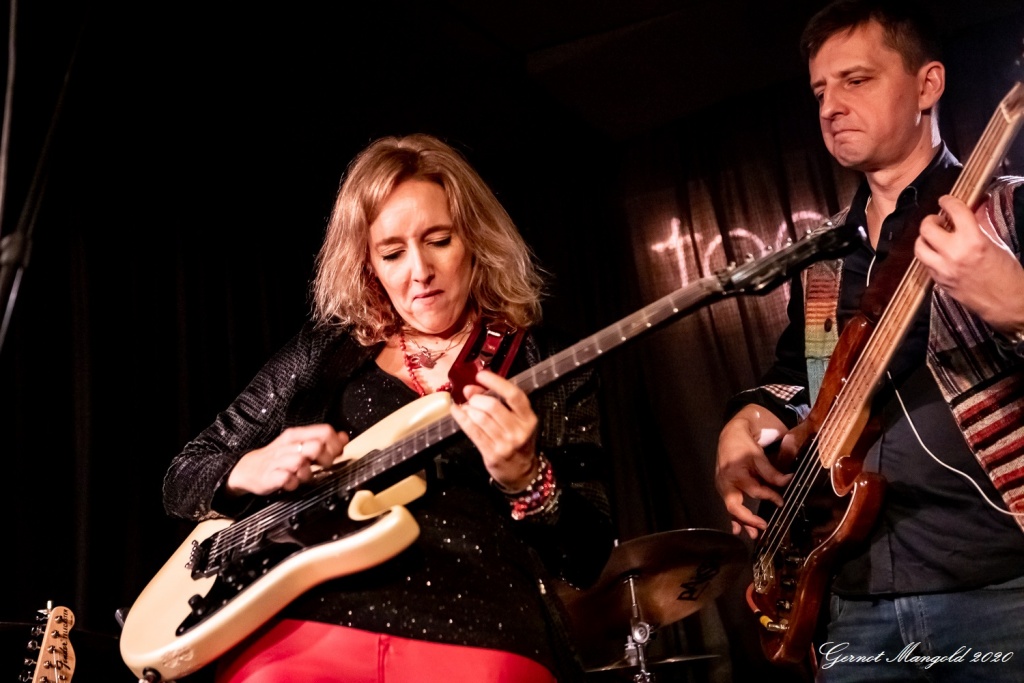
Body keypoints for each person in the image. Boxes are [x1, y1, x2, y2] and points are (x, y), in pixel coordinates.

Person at [161, 133, 615, 683]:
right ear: (368, 264)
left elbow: (588, 554)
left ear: (475, 240)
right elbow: (182, 477)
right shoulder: (325, 354)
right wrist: (249, 468)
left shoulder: (549, 360)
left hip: (483, 631)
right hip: (307, 630)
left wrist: (528, 479)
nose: (419, 270)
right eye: (392, 253)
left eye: (439, 240)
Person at [714, 1, 1024, 681]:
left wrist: (1016, 305)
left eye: (856, 80)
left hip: (1000, 586)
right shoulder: (824, 263)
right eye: (820, 91)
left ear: (928, 84)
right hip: (851, 602)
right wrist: (744, 423)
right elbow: (801, 379)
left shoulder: (1007, 210)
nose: (831, 107)